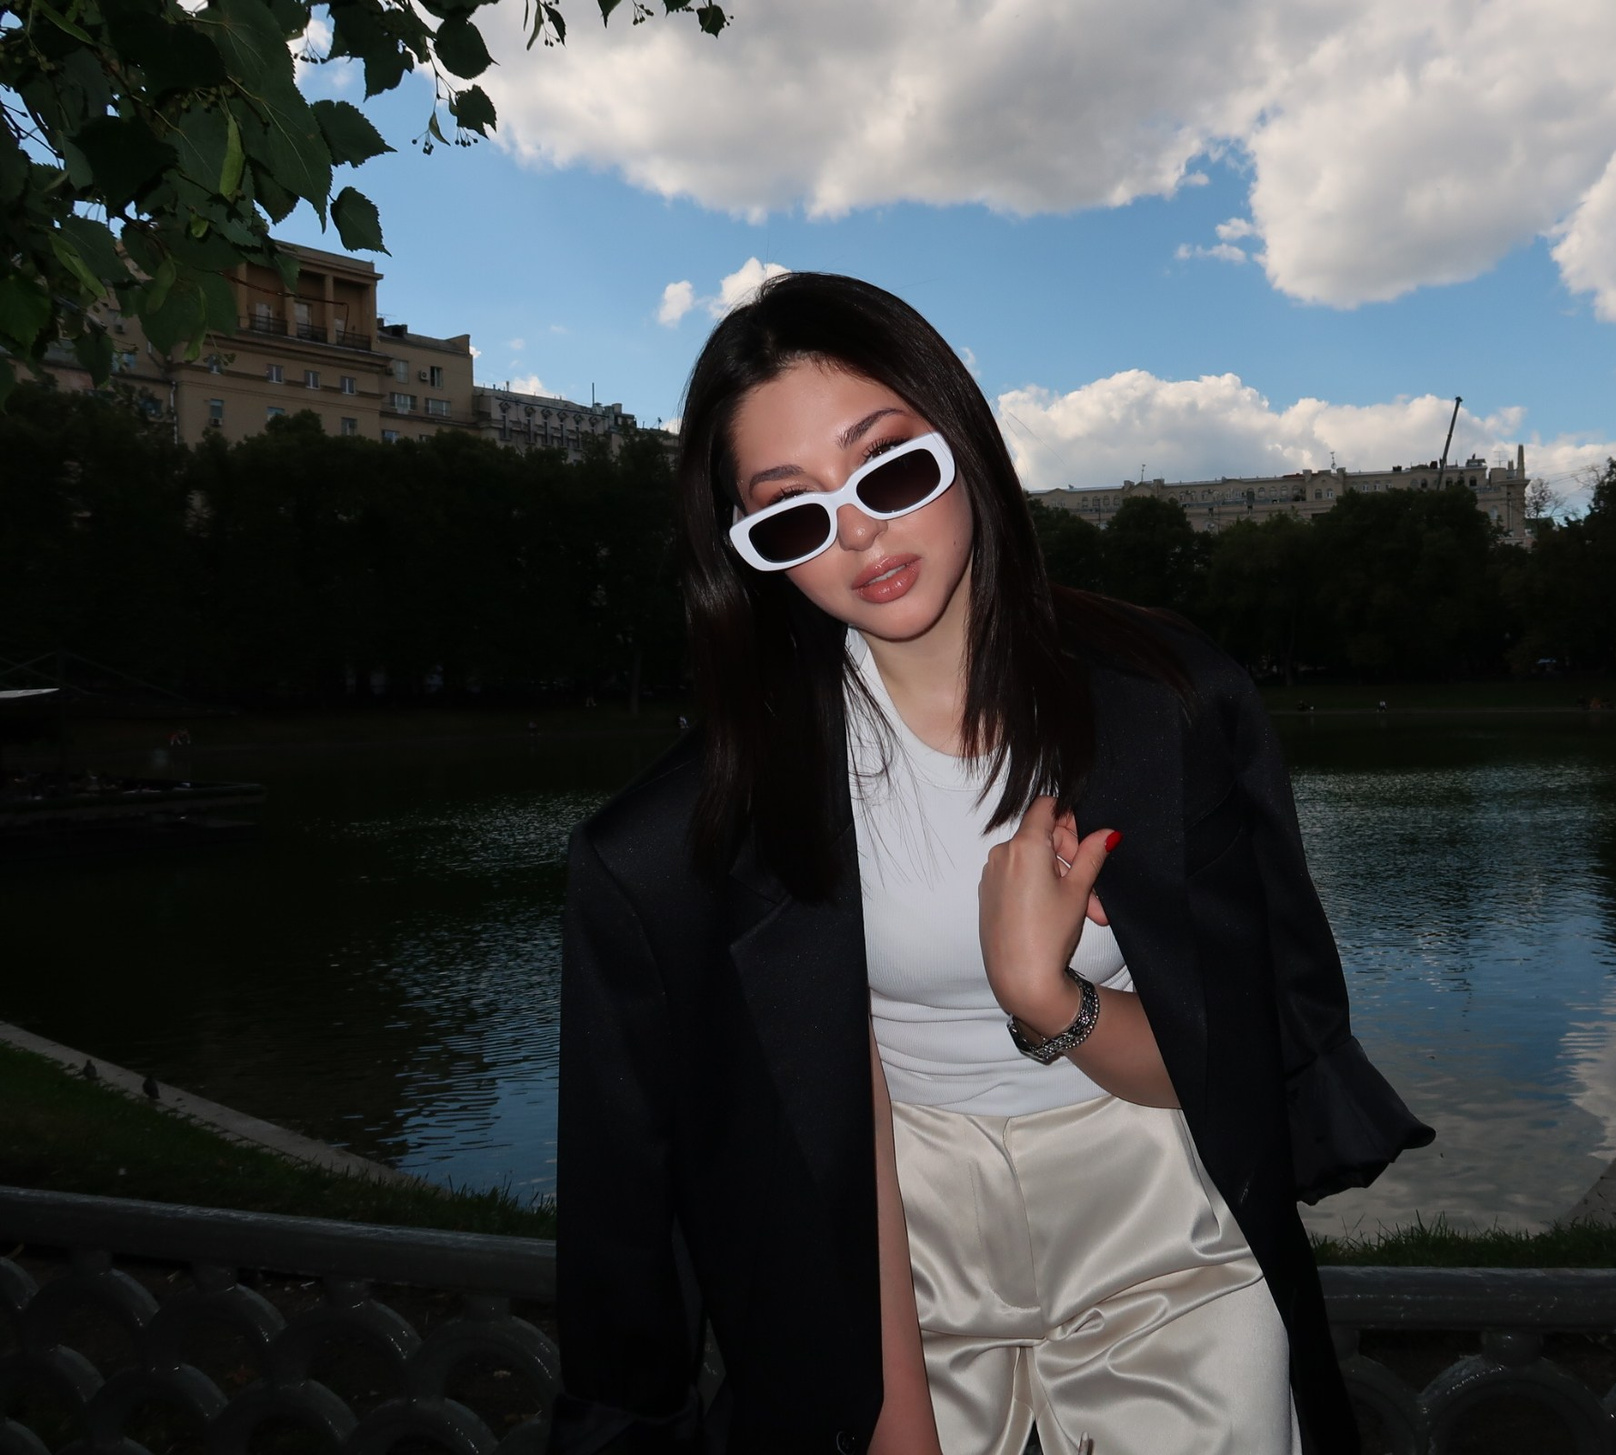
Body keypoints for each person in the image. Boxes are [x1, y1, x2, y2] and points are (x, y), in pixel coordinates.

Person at [549, 273, 1433, 1455]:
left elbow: (1249, 1059)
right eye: (792, 514)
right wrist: (896, 1414)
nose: (857, 532)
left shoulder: (1168, 707)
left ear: (962, 441)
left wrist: (1048, 998)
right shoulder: (692, 840)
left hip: (1166, 1238)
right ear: (750, 552)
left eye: (889, 468)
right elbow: (715, 1174)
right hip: (894, 1267)